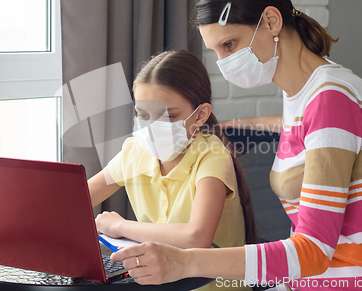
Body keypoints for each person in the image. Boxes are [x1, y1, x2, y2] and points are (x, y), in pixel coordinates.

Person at [110, 0, 362, 291]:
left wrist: (184, 262)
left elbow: (312, 251)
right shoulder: (304, 95)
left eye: (229, 44)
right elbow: (307, 129)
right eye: (216, 51)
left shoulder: (332, 98)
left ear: (271, 22)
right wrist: (249, 123)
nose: (224, 63)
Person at [87, 50, 257, 290]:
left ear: (200, 115)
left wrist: (119, 227)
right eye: (143, 115)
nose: (153, 127)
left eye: (168, 116)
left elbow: (196, 237)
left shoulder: (212, 156)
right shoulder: (135, 151)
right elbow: (77, 202)